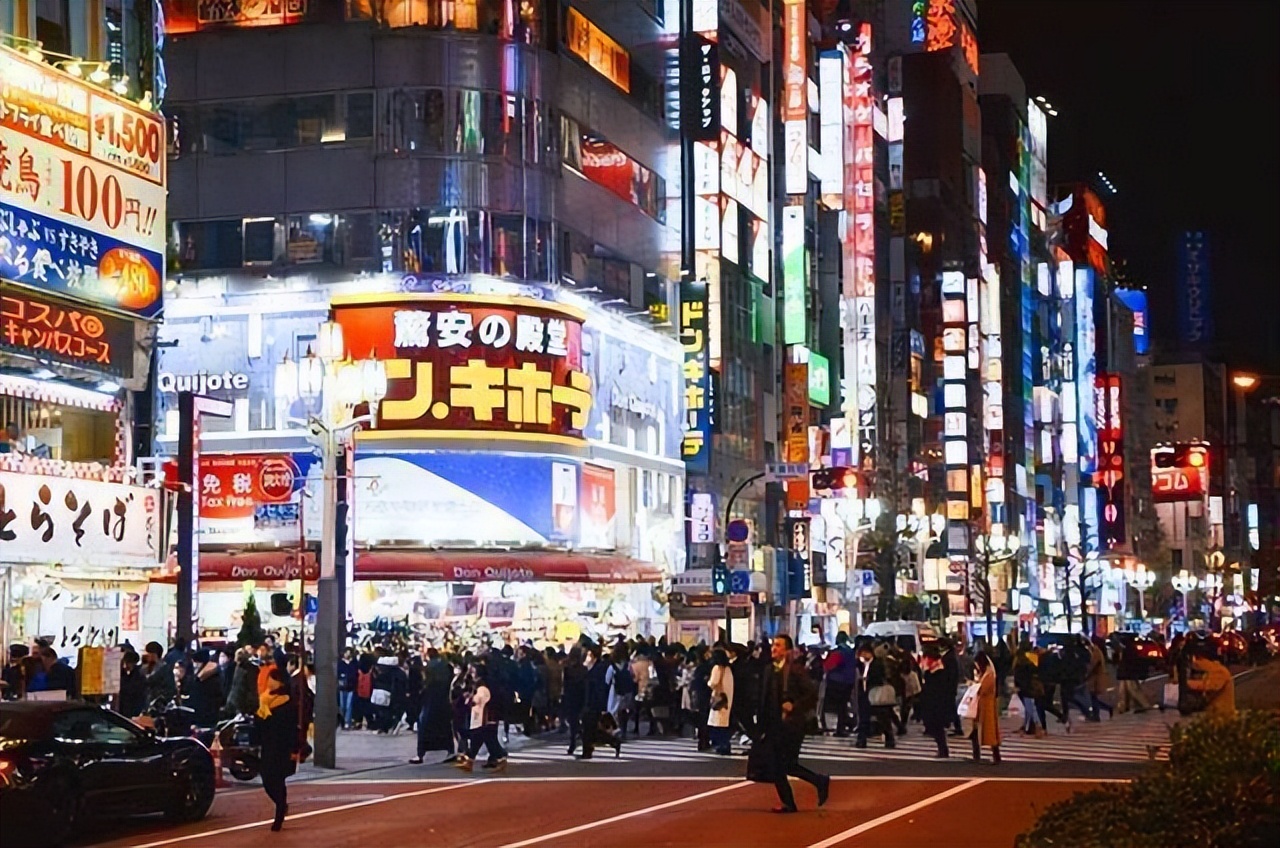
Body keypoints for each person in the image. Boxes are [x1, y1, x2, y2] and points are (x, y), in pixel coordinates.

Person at [755, 635, 829, 814]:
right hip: (773, 724)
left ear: (788, 650)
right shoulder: (769, 670)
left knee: (784, 764)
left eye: (778, 646)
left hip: (791, 724)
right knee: (782, 765)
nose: (774, 648)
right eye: (773, 645)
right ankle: (814, 784)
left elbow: (812, 694)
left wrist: (794, 706)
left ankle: (810, 788)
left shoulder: (795, 670)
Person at [256, 656, 299, 832]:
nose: (271, 683)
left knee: (278, 779)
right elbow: (259, 724)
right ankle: (281, 804)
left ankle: (279, 812)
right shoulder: (264, 699)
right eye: (270, 679)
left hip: (281, 746)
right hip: (267, 745)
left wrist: (294, 749)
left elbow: (290, 727)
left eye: (274, 680)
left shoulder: (287, 702)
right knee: (266, 778)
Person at [410, 648, 457, 763]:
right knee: (445, 727)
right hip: (444, 700)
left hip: (430, 699)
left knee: (424, 725)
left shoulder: (429, 668)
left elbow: (425, 684)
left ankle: (420, 754)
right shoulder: (447, 666)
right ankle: (450, 750)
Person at [457, 665, 507, 771]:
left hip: (485, 717)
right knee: (482, 739)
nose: (472, 674)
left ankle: (499, 758)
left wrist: (470, 699)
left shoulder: (482, 686)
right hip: (483, 716)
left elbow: (479, 700)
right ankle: (471, 760)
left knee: (485, 739)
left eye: (474, 672)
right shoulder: (482, 685)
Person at [580, 646, 618, 759]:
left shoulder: (598, 669)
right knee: (591, 729)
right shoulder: (595, 668)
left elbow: (598, 688)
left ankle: (588, 751)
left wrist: (601, 705)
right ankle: (612, 742)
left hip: (593, 703)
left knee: (588, 729)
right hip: (591, 702)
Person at [854, 642, 894, 749]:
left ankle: (889, 738)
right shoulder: (860, 664)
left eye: (864, 654)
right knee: (863, 718)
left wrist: (868, 679)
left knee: (882, 718)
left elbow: (881, 677)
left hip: (875, 694)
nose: (862, 656)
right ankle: (861, 740)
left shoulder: (877, 663)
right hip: (864, 693)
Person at [917, 641, 952, 758]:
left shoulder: (938, 670)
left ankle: (943, 750)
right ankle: (942, 749)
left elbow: (937, 688)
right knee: (936, 728)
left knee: (938, 727)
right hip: (933, 702)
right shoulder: (933, 670)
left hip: (936, 703)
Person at [1184, 645, 1237, 719]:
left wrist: (1186, 683)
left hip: (1223, 718)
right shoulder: (1210, 672)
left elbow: (1210, 686)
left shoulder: (1219, 671)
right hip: (1214, 716)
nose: (1195, 663)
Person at [821, 632, 857, 737]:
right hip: (849, 682)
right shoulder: (851, 652)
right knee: (843, 706)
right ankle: (842, 727)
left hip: (836, 682)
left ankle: (834, 727)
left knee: (832, 706)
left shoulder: (838, 652)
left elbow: (829, 666)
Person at [971, 651, 1002, 764]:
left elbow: (982, 689)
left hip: (987, 706)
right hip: (982, 705)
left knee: (989, 732)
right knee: (979, 731)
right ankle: (979, 755)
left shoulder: (989, 674)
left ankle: (995, 756)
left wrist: (974, 685)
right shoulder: (986, 673)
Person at [1012, 642, 1046, 737]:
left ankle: (1037, 726)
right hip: (1030, 686)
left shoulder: (1018, 660)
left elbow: (1017, 675)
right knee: (1030, 708)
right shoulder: (1031, 658)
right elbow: (1036, 670)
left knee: (1030, 709)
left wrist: (1017, 685)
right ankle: (1028, 728)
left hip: (1023, 687)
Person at [605, 646, 636, 740]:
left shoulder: (612, 667)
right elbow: (633, 676)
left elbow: (607, 680)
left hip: (615, 691)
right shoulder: (628, 665)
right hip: (627, 691)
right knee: (624, 712)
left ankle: (615, 730)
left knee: (613, 712)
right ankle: (624, 731)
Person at [707, 647, 735, 755]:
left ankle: (721, 745)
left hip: (719, 698)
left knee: (717, 723)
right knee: (724, 723)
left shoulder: (717, 668)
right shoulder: (728, 669)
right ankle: (725, 744)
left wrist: (708, 682)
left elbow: (713, 683)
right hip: (727, 698)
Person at [1115, 639, 1153, 714]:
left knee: (1131, 690)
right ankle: (1124, 706)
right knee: (1125, 691)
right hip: (1126, 673)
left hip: (1127, 673)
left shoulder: (1127, 650)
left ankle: (1144, 705)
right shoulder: (1129, 650)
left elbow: (1126, 663)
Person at [561, 647, 587, 755]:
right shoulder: (584, 669)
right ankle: (582, 738)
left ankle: (573, 742)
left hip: (570, 696)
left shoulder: (567, 668)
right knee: (581, 720)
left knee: (572, 721)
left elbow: (564, 685)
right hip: (581, 696)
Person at [224, 648, 260, 718]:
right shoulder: (252, 669)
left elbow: (236, 688)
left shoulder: (237, 669)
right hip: (244, 704)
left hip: (239, 704)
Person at [118, 650, 147, 717]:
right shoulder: (120, 673)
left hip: (133, 710)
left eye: (129, 663)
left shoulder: (139, 676)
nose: (125, 666)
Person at [337, 649, 358, 730]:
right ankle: (342, 721)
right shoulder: (341, 663)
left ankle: (347, 722)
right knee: (342, 706)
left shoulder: (353, 663)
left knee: (349, 705)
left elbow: (355, 674)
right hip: (342, 687)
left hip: (351, 687)